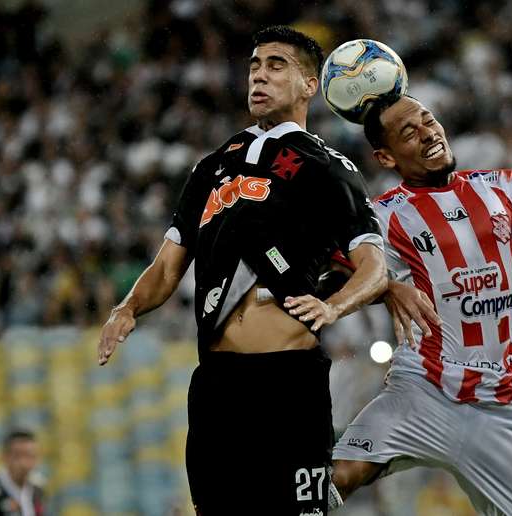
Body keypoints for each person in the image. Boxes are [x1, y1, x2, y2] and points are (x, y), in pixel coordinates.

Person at [96, 26, 387, 515]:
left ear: (309, 85)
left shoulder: (329, 167)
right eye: (254, 65)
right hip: (217, 384)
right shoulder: (209, 168)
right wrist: (128, 309)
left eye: (277, 66)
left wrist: (334, 305)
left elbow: (374, 266)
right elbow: (167, 267)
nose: (260, 76)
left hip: (289, 382)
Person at [329, 95, 512, 516]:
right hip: (423, 391)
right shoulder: (383, 216)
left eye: (428, 121)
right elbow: (337, 269)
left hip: (502, 408)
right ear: (386, 157)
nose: (428, 134)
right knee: (338, 475)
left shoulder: (505, 187)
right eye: (408, 133)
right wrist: (388, 288)